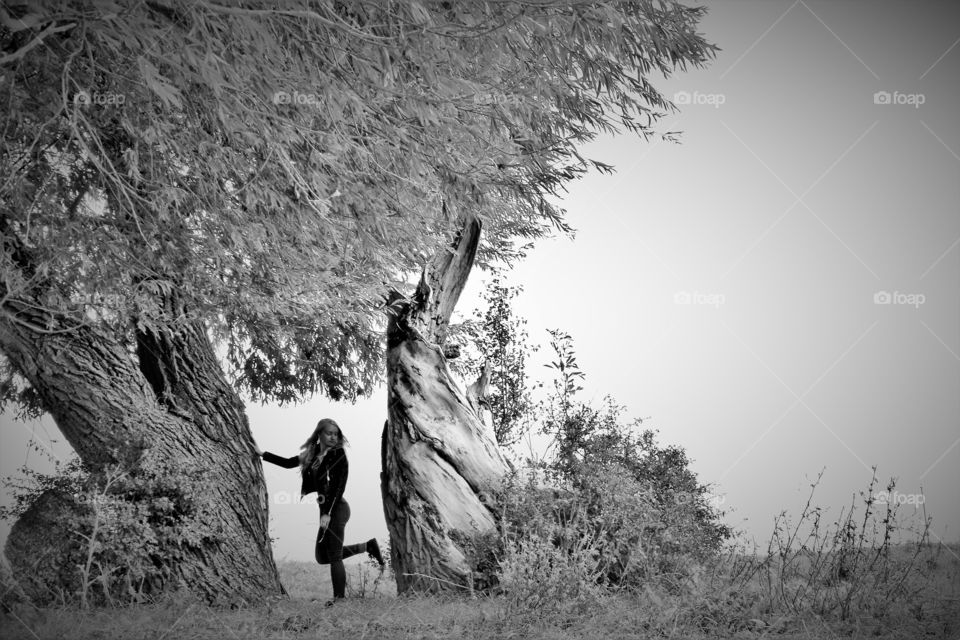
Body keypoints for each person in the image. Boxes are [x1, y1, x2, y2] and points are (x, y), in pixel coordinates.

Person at [256, 418, 385, 605]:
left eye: (336, 434)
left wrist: (327, 513)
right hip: (326, 509)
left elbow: (339, 486)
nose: (333, 437)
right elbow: (289, 462)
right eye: (329, 433)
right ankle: (367, 546)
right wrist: (262, 454)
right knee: (322, 556)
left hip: (337, 509)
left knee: (334, 556)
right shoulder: (313, 453)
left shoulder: (339, 454)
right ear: (319, 434)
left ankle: (339, 601)